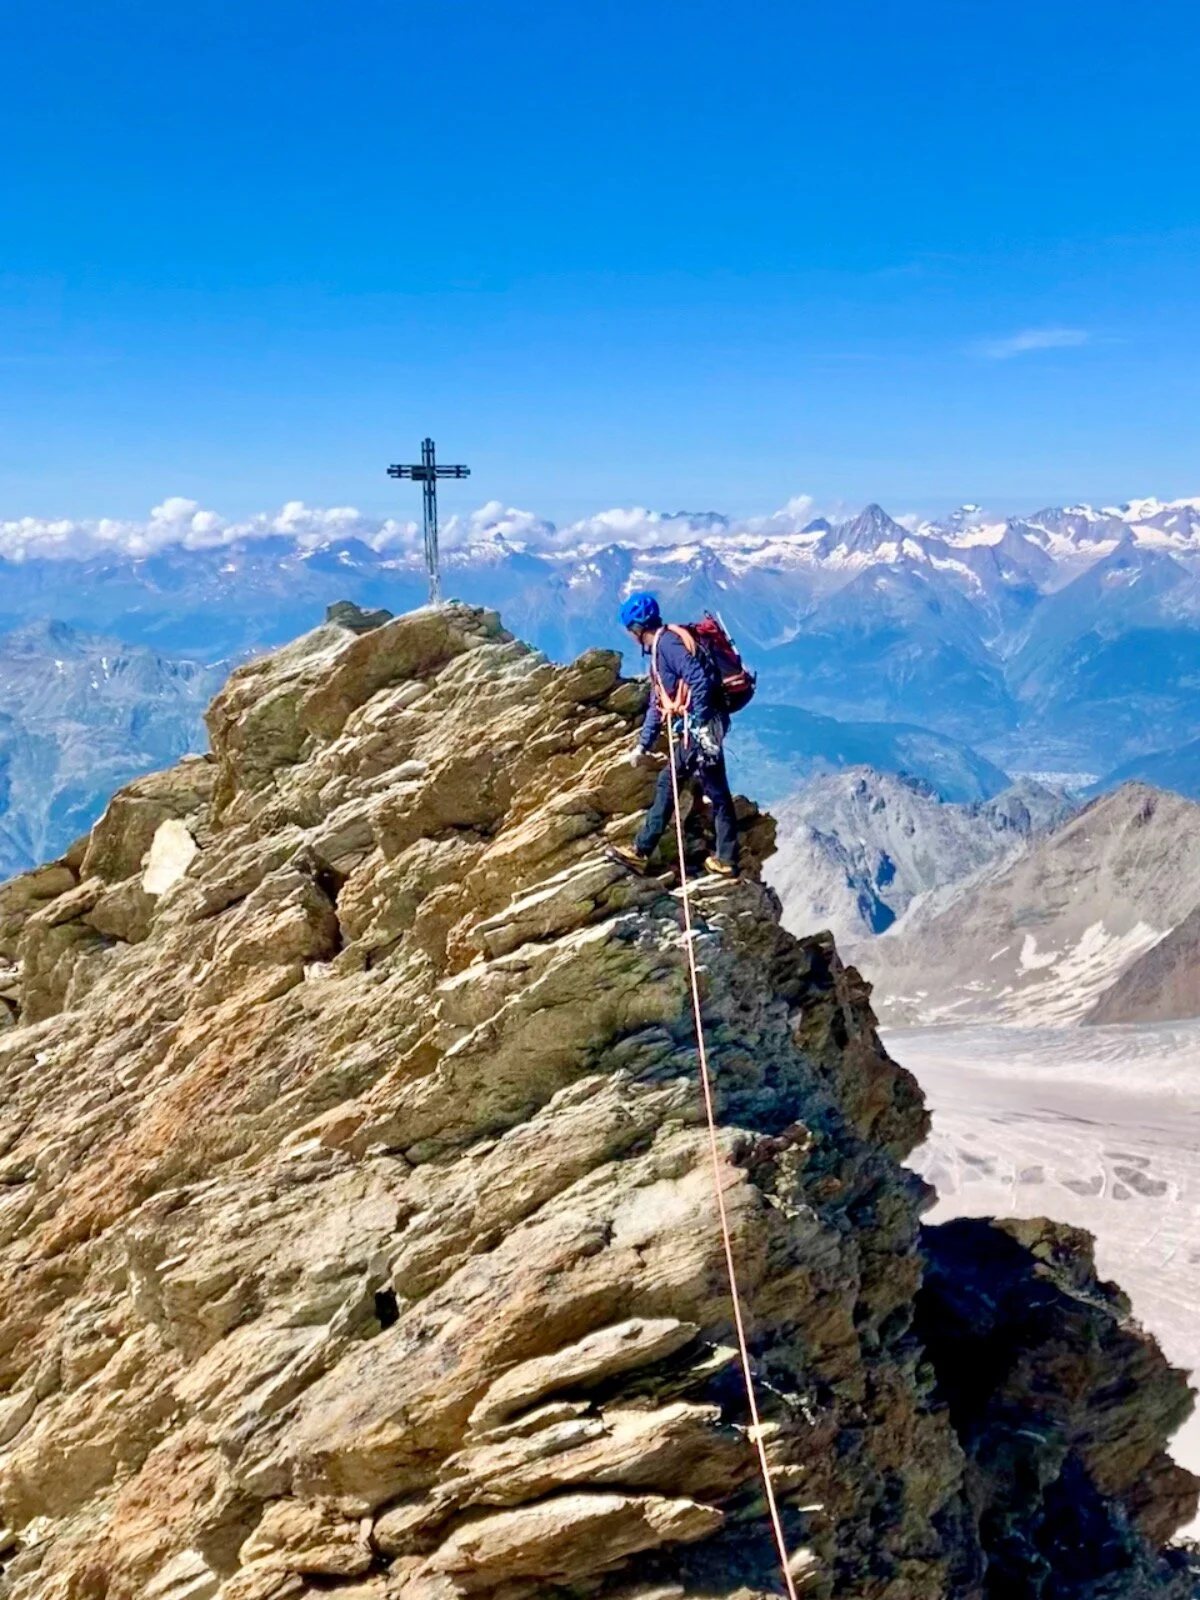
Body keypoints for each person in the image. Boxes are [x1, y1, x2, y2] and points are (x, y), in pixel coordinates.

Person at [608, 590, 740, 878]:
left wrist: (701, 723)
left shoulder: (667, 645)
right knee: (714, 790)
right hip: (705, 727)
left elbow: (699, 679)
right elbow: (660, 702)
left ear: (636, 628)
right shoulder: (663, 647)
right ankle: (726, 858)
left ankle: (642, 851)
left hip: (700, 730)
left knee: (674, 783)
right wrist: (643, 744)